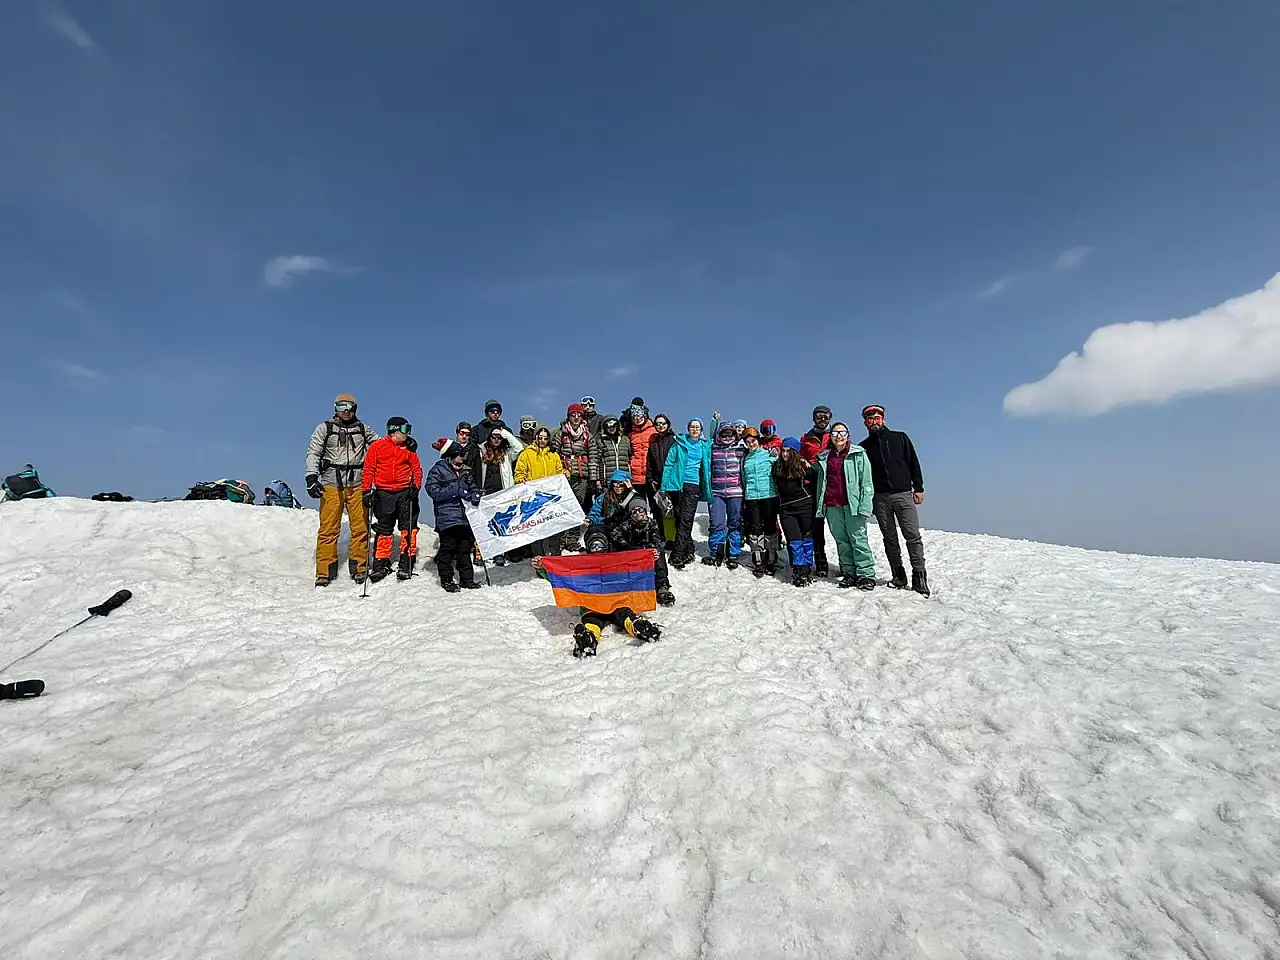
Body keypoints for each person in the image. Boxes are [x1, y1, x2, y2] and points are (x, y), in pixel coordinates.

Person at [532, 525, 663, 658]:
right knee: (592, 621)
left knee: (625, 615)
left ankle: (638, 626)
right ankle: (588, 638)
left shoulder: (617, 561)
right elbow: (560, 574)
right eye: (593, 545)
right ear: (588, 547)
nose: (596, 548)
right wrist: (542, 567)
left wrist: (649, 559)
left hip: (616, 602)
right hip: (591, 605)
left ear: (605, 545)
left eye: (599, 545)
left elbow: (635, 568)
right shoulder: (580, 564)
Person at [305, 392, 377, 587]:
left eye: (349, 406)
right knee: (328, 529)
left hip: (357, 484)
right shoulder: (325, 428)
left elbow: (381, 446)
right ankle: (324, 571)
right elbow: (314, 452)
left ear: (355, 409)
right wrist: (311, 477)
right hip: (331, 485)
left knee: (360, 528)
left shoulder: (362, 429)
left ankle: (359, 568)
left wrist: (402, 445)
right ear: (335, 408)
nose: (345, 410)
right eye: (341, 406)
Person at [858, 404, 929, 596]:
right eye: (870, 418)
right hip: (879, 498)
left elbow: (913, 462)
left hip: (903, 494)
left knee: (912, 535)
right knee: (889, 538)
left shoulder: (900, 438)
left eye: (877, 417)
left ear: (883, 419)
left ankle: (919, 576)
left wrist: (919, 488)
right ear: (865, 423)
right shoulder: (863, 447)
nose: (874, 421)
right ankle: (898, 575)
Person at [814, 421, 876, 589]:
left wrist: (865, 506)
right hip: (832, 505)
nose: (839, 436)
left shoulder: (858, 454)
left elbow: (866, 482)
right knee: (841, 540)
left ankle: (866, 574)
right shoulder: (824, 457)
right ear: (830, 437)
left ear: (848, 435)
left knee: (858, 539)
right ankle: (849, 573)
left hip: (852, 505)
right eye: (835, 433)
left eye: (842, 433)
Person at [362, 417, 424, 582]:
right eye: (405, 430)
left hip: (405, 492)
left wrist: (416, 486)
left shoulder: (409, 448)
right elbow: (368, 469)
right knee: (384, 529)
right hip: (384, 493)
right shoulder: (377, 447)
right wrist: (366, 491)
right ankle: (380, 564)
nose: (408, 433)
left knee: (408, 528)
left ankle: (406, 563)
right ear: (394, 430)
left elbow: (416, 469)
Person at [426, 440, 483, 592]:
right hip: (447, 517)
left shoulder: (466, 471)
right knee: (448, 548)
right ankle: (446, 579)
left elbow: (473, 487)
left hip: (464, 517)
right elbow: (433, 491)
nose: (462, 457)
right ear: (450, 455)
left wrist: (476, 494)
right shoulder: (438, 470)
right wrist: (454, 490)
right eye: (459, 454)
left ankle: (467, 579)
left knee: (465, 547)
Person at [660, 417, 712, 569]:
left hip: (693, 485)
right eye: (692, 427)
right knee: (679, 518)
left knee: (686, 519)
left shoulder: (704, 446)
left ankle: (678, 553)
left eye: (697, 427)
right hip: (676, 486)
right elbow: (669, 464)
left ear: (701, 430)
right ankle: (689, 549)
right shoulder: (679, 444)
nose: (695, 429)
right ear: (688, 429)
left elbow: (715, 436)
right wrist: (663, 487)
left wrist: (714, 422)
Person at [514, 426, 568, 557]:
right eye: (540, 438)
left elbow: (559, 472)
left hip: (550, 498)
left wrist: (565, 474)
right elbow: (519, 473)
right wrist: (520, 479)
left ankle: (556, 558)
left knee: (554, 529)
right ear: (535, 438)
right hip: (533, 498)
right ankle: (539, 559)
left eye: (545, 438)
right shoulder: (526, 454)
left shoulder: (553, 455)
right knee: (537, 531)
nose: (542, 441)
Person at [773, 438, 818, 586]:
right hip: (786, 509)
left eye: (789, 451)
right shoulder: (776, 467)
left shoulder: (803, 467)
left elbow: (817, 480)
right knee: (794, 540)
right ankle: (799, 569)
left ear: (795, 452)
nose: (785, 454)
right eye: (783, 450)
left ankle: (806, 569)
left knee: (806, 538)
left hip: (805, 506)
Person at [704, 419, 747, 569]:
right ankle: (716, 551)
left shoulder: (741, 447)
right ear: (719, 435)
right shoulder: (713, 447)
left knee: (735, 523)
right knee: (717, 523)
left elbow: (755, 450)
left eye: (730, 434)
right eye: (724, 434)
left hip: (736, 492)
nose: (727, 437)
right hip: (717, 492)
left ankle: (733, 553)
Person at [799, 404, 833, 578]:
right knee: (816, 525)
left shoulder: (835, 435)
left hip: (833, 483)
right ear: (813, 418)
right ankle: (821, 561)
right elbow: (801, 458)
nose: (823, 419)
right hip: (813, 484)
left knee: (839, 526)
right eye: (819, 416)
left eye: (826, 416)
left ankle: (848, 564)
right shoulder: (806, 437)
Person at [741, 427, 780, 577]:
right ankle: (757, 557)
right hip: (752, 496)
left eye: (753, 441)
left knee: (770, 525)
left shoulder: (768, 455)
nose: (751, 444)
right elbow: (743, 477)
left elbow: (779, 468)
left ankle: (771, 556)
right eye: (748, 442)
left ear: (758, 440)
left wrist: (776, 453)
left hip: (769, 495)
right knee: (755, 527)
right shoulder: (745, 459)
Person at [558, 402, 594, 550]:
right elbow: (554, 453)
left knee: (577, 506)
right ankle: (561, 539)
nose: (576, 418)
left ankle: (572, 539)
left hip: (581, 474)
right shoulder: (561, 433)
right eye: (573, 415)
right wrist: (559, 470)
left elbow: (593, 457)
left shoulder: (587, 435)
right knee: (562, 506)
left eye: (579, 415)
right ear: (569, 416)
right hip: (564, 474)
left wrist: (593, 478)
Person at [645, 413, 677, 549]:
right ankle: (664, 536)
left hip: (672, 481)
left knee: (673, 511)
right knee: (659, 510)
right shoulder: (654, 443)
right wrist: (650, 479)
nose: (661, 426)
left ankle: (675, 538)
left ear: (668, 424)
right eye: (658, 424)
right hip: (657, 481)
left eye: (663, 423)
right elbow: (649, 463)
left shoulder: (675, 440)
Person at [589, 416, 631, 492]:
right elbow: (595, 461)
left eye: (614, 425)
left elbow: (630, 457)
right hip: (608, 481)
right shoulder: (600, 440)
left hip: (624, 480)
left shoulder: (625, 439)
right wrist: (597, 480)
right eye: (608, 426)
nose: (611, 428)